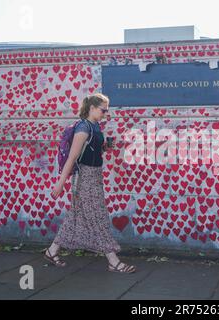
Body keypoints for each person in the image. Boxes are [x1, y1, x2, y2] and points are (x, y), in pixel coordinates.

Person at [46, 93, 136, 273]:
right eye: (103, 110)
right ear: (92, 108)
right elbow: (72, 157)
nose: (105, 113)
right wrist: (60, 183)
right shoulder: (83, 128)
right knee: (98, 217)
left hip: (94, 176)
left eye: (107, 110)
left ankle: (52, 250)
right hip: (84, 177)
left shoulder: (95, 127)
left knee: (75, 216)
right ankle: (113, 260)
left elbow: (91, 150)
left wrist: (104, 147)